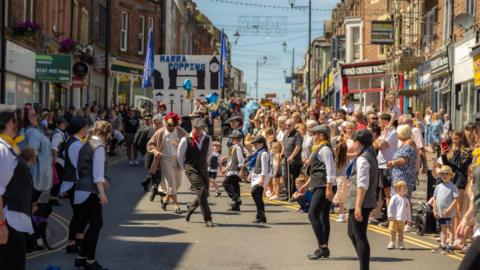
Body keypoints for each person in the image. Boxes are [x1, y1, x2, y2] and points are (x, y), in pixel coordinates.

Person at [73, 121, 111, 270]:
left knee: (92, 224)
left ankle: (81, 257)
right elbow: (97, 175)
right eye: (110, 133)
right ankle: (90, 260)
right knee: (96, 224)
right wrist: (102, 194)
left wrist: (103, 180)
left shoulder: (86, 144)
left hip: (81, 188)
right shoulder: (99, 146)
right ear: (106, 134)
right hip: (90, 190)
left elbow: (80, 168)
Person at [0, 106, 33, 270]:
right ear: (10, 123)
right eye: (17, 119)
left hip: (13, 219)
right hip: (8, 220)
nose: (20, 123)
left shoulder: (9, 146)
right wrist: (1, 226)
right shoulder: (3, 150)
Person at [299, 125, 336, 260]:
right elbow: (317, 170)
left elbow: (330, 169)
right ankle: (324, 248)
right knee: (322, 216)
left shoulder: (325, 149)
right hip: (319, 184)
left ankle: (322, 247)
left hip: (324, 185)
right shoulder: (319, 148)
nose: (312, 136)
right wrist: (307, 184)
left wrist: (329, 187)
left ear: (321, 135)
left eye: (314, 134)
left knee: (312, 214)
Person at [346, 129, 379, 270]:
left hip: (360, 201)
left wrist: (358, 206)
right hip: (360, 200)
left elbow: (362, 184)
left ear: (358, 143)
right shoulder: (369, 154)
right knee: (352, 233)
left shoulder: (363, 158)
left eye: (353, 141)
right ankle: (363, 262)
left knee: (360, 236)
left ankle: (364, 267)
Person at [147, 112, 188, 214]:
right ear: (165, 124)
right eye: (169, 125)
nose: (171, 127)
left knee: (178, 183)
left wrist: (179, 144)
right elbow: (150, 144)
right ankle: (176, 205)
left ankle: (165, 199)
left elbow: (189, 140)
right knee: (171, 183)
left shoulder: (179, 130)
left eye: (173, 126)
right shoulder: (160, 132)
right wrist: (156, 151)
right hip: (165, 159)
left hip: (177, 160)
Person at [178, 118, 214, 227]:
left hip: (203, 167)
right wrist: (184, 168)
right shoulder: (185, 140)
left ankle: (191, 208)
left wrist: (204, 163)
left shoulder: (208, 138)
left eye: (200, 128)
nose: (198, 131)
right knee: (202, 190)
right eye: (196, 128)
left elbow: (209, 153)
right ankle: (207, 218)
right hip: (191, 168)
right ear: (193, 127)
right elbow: (180, 155)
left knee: (205, 193)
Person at [62, 116, 89, 253]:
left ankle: (79, 239)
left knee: (83, 214)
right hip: (75, 183)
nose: (87, 130)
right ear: (81, 128)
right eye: (86, 127)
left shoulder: (77, 142)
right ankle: (71, 243)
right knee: (79, 214)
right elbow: (78, 165)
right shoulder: (76, 144)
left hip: (77, 182)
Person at [387, 124, 417, 231]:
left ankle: (408, 223)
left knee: (404, 199)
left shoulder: (409, 143)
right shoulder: (404, 143)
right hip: (399, 175)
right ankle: (399, 222)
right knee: (399, 199)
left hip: (405, 176)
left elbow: (404, 159)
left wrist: (393, 162)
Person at [21, 104, 53, 203]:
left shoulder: (36, 129)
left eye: (35, 114)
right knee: (31, 205)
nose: (35, 117)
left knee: (32, 205)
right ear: (26, 118)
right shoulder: (32, 132)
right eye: (32, 115)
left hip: (39, 173)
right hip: (36, 174)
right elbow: (31, 153)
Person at [372, 114, 398, 223]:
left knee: (389, 194)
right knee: (384, 194)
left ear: (386, 122)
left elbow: (382, 145)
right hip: (381, 165)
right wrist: (383, 135)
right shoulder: (385, 132)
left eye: (381, 121)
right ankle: (388, 216)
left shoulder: (393, 132)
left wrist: (382, 137)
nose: (379, 124)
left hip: (388, 165)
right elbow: (374, 145)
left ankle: (391, 218)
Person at [432, 165, 459, 254]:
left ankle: (450, 246)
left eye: (447, 174)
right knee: (443, 229)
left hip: (449, 213)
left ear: (451, 175)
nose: (445, 175)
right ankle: (443, 245)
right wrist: (434, 210)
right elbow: (435, 199)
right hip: (441, 213)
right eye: (442, 173)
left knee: (450, 229)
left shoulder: (453, 187)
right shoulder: (438, 186)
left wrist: (449, 209)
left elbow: (456, 199)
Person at [249, 135, 271, 223]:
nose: (254, 146)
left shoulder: (264, 153)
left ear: (262, 143)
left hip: (262, 176)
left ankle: (260, 215)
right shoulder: (258, 152)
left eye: (256, 144)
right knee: (258, 196)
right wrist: (251, 174)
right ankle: (261, 216)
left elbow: (265, 168)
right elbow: (254, 165)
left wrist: (262, 178)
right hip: (256, 175)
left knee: (254, 192)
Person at [222, 130, 245, 211]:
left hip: (235, 170)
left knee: (225, 183)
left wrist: (241, 170)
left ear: (237, 139)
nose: (231, 140)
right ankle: (236, 206)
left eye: (233, 138)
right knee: (235, 186)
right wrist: (226, 168)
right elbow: (232, 159)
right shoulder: (235, 147)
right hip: (233, 169)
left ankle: (236, 199)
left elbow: (240, 159)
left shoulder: (238, 147)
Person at [282, 118, 303, 200]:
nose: (287, 127)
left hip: (295, 161)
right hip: (286, 159)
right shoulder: (285, 134)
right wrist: (282, 152)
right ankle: (288, 194)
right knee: (286, 177)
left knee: (293, 178)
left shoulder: (297, 134)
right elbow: (283, 144)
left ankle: (293, 195)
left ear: (294, 126)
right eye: (286, 125)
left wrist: (292, 156)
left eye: (289, 125)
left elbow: (298, 146)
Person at [50, 117, 68, 206]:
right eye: (62, 124)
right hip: (59, 161)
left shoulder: (61, 134)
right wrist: (56, 160)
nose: (64, 125)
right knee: (57, 180)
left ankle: (55, 197)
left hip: (61, 160)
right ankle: (53, 198)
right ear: (58, 124)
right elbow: (54, 147)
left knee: (60, 180)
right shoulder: (57, 135)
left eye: (65, 124)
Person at [387, 180, 411, 250]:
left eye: (405, 188)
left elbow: (408, 211)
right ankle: (392, 242)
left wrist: (409, 220)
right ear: (398, 189)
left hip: (402, 219)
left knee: (401, 232)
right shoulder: (394, 197)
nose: (405, 189)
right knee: (392, 231)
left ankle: (401, 243)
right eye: (404, 187)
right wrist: (390, 215)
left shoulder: (406, 200)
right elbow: (390, 207)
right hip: (394, 218)